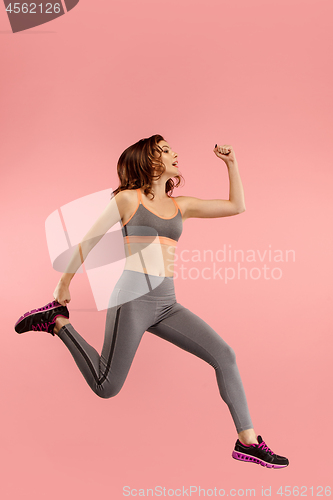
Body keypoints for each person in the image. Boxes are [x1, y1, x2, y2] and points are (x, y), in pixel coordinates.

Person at [14, 134, 289, 469]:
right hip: (131, 299)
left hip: (167, 304)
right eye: (166, 150)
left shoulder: (180, 205)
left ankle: (248, 441)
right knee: (106, 386)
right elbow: (89, 240)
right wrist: (64, 282)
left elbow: (236, 206)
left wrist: (231, 164)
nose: (175, 153)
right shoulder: (128, 200)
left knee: (224, 355)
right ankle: (57, 321)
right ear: (150, 159)